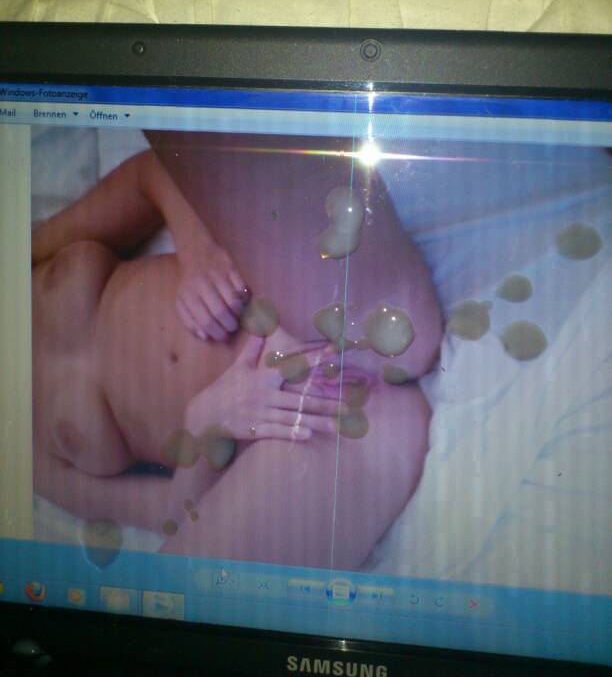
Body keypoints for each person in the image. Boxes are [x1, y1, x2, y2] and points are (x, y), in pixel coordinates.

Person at [32, 132, 442, 570]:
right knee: (181, 589)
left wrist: (198, 254)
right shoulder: (26, 463)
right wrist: (205, 424)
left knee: (398, 320)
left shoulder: (19, 261)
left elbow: (150, 174)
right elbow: (170, 514)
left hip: (292, 294)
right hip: (293, 430)